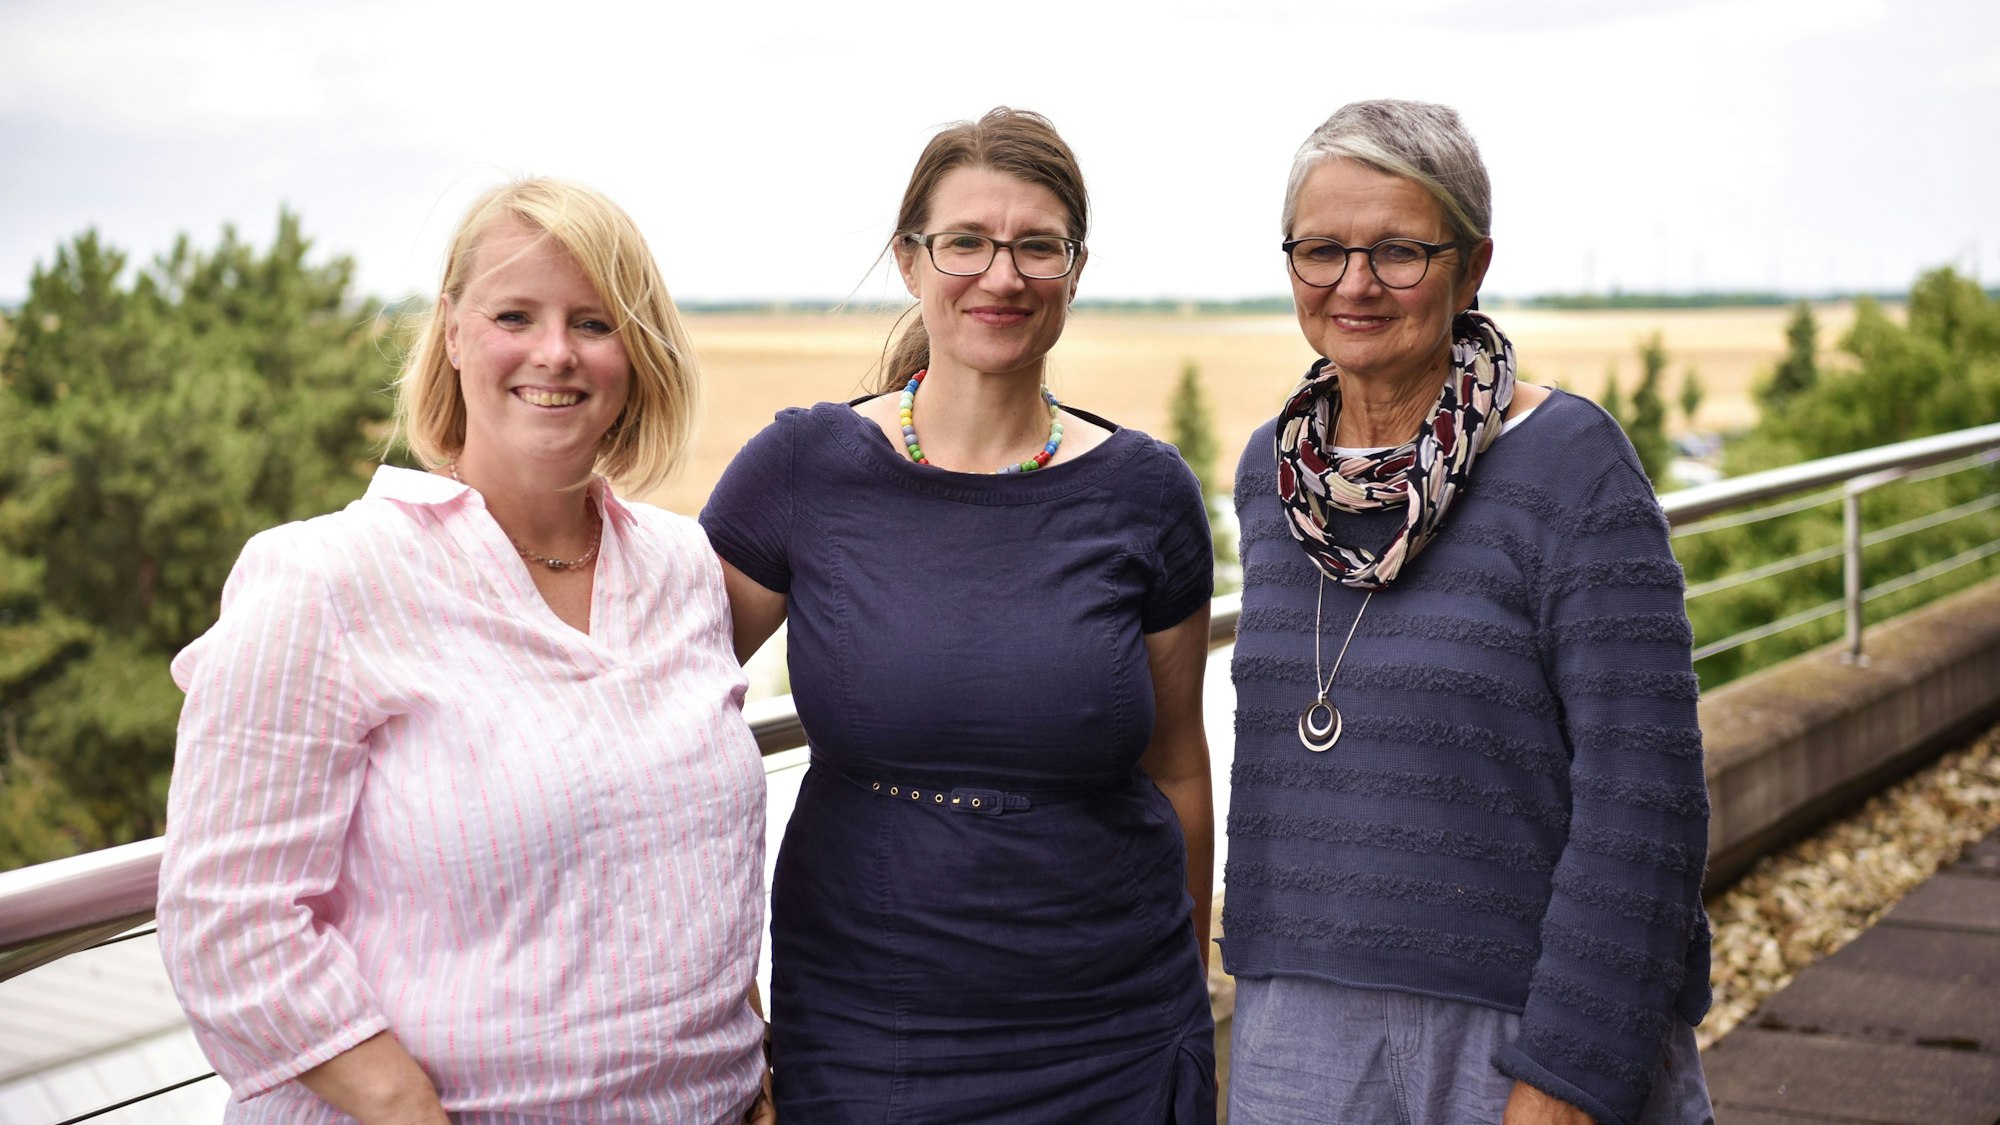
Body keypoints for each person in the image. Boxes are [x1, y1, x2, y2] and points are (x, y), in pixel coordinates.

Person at [157, 179, 773, 1124]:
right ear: (451, 332)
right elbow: (229, 918)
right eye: (514, 315)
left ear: (638, 350)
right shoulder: (325, 579)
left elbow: (694, 882)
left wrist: (748, 1063)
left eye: (595, 322)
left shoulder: (683, 566)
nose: (554, 353)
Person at [701, 107, 1218, 1123]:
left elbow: (1177, 766)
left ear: (1073, 268)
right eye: (966, 243)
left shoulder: (1145, 493)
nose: (1002, 274)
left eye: (1037, 246)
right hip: (866, 1020)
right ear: (909, 261)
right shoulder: (801, 471)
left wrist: (1182, 999)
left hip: (1111, 1025)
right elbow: (652, 712)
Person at [1222, 100, 1715, 1125]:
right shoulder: (1271, 480)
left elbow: (1644, 795)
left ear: (1470, 264)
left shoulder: (1569, 466)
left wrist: (1569, 1076)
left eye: (1398, 251)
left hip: (1516, 1034)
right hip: (1296, 1029)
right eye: (1320, 251)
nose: (1353, 284)